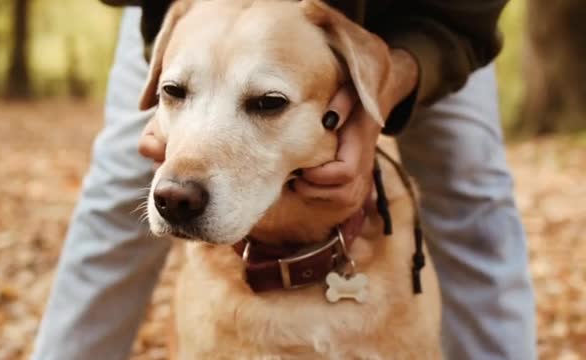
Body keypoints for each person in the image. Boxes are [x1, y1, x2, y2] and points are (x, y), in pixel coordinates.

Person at [32, 2, 537, 359]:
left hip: (419, 15)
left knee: (473, 187)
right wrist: (192, 22)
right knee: (119, 185)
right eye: (174, 91)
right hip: (200, 16)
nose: (179, 184)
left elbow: (467, 16)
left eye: (267, 103)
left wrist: (386, 88)